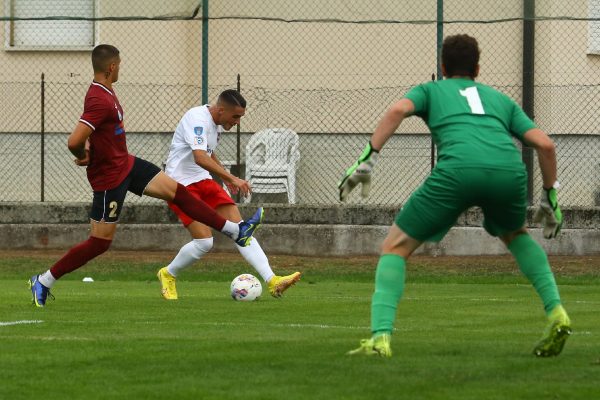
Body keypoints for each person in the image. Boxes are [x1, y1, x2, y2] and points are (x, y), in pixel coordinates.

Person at [339, 34, 571, 358]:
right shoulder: (498, 99)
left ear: (443, 66)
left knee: (395, 246)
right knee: (516, 235)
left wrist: (368, 159)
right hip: (508, 171)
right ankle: (557, 313)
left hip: (458, 170)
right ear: (477, 67)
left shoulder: (431, 90)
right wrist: (550, 198)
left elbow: (397, 110)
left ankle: (380, 339)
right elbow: (546, 145)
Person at [28, 44, 263, 307]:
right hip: (110, 178)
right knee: (99, 242)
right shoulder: (99, 98)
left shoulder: (107, 91)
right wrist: (83, 153)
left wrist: (93, 146)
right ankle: (44, 280)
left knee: (178, 191)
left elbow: (100, 131)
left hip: (126, 164)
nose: (121, 68)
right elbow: (74, 139)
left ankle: (236, 230)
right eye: (120, 64)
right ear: (112, 67)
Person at [157, 89, 301, 300]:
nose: (238, 122)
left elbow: (208, 152)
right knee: (204, 243)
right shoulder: (197, 118)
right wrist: (232, 178)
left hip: (203, 180)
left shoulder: (217, 123)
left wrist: (224, 177)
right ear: (221, 110)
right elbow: (199, 156)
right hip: (179, 185)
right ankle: (168, 274)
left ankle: (272, 280)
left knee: (242, 230)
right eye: (236, 117)